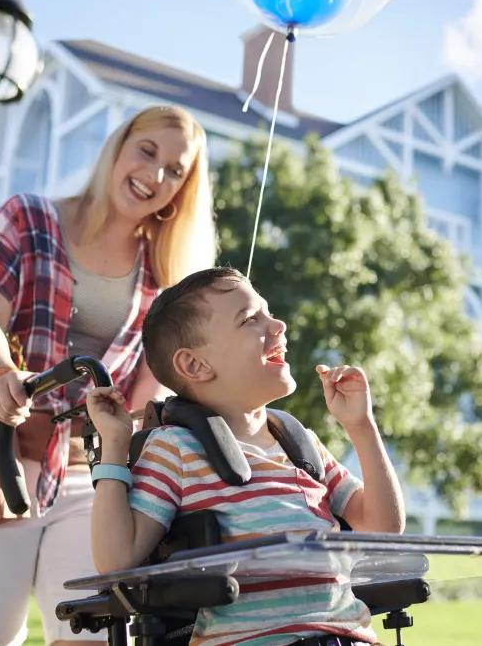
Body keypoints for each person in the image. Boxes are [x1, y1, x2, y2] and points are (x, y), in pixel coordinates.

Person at [0, 106, 216, 646]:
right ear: (119, 147)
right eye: (148, 152)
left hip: (90, 473)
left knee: (93, 635)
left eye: (176, 170)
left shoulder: (165, 274)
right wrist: (1, 376)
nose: (156, 175)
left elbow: (150, 389)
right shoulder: (29, 217)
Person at [86, 267, 406, 646]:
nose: (278, 325)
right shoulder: (176, 449)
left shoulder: (299, 445)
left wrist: (361, 426)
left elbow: (383, 528)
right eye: (251, 319)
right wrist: (114, 443)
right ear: (194, 365)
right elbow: (116, 560)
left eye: (268, 313)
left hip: (347, 637)